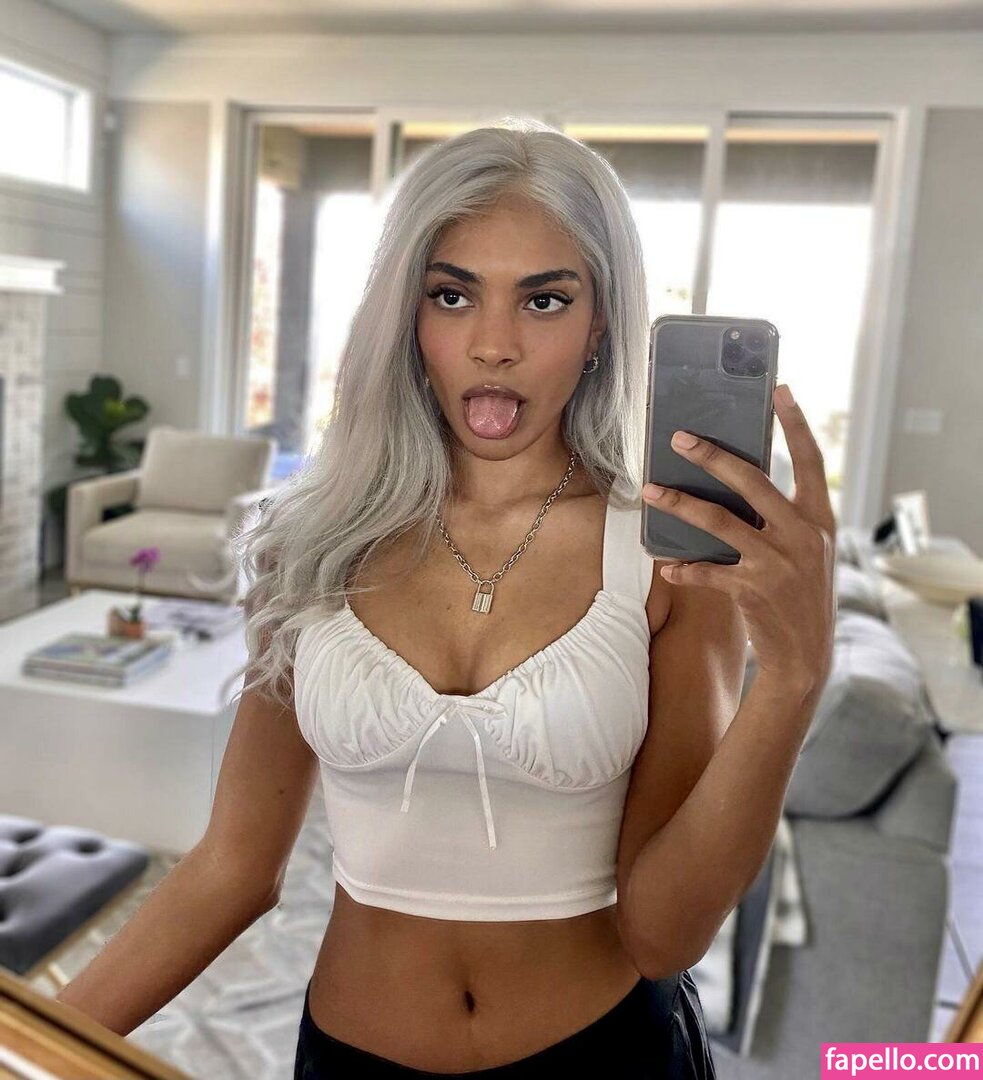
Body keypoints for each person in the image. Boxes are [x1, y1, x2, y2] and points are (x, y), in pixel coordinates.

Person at [53, 119, 836, 1079]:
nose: (493, 345)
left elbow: (663, 934)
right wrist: (30, 1044)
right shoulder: (313, 547)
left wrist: (793, 677)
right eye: (452, 295)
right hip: (351, 1060)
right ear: (406, 312)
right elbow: (232, 869)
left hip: (601, 1058)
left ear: (599, 324)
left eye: (544, 300)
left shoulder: (661, 561)